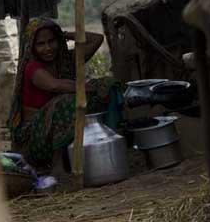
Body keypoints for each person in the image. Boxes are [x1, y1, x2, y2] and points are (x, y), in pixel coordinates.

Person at [7, 18, 124, 172]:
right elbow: (55, 85)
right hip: (34, 138)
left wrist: (66, 35)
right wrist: (89, 88)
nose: (48, 48)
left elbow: (97, 39)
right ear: (32, 47)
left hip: (54, 127)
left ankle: (108, 144)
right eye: (40, 44)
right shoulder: (32, 68)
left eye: (51, 41)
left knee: (109, 86)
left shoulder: (66, 60)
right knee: (66, 102)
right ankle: (58, 165)